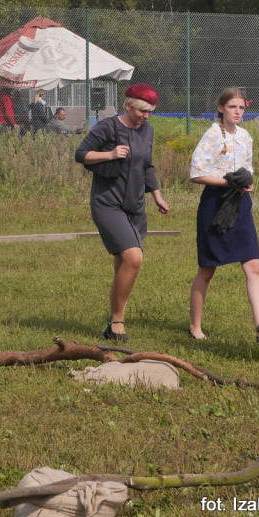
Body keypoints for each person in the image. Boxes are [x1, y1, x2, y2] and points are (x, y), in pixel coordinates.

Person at [75, 83, 170, 341]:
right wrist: (110, 154)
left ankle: (114, 318)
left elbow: (147, 166)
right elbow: (81, 154)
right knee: (134, 258)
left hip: (135, 205)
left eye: (150, 112)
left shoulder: (147, 130)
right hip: (108, 203)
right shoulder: (108, 126)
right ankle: (118, 321)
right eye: (142, 111)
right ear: (128, 105)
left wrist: (158, 196)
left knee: (123, 262)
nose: (146, 117)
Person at [188, 87, 259, 344]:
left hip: (240, 203)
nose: (238, 112)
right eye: (232, 107)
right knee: (207, 269)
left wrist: (246, 182)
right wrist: (227, 182)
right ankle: (195, 325)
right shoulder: (211, 136)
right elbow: (196, 173)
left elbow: (247, 167)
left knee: (254, 266)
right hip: (214, 205)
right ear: (221, 109)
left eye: (241, 107)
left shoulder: (245, 136)